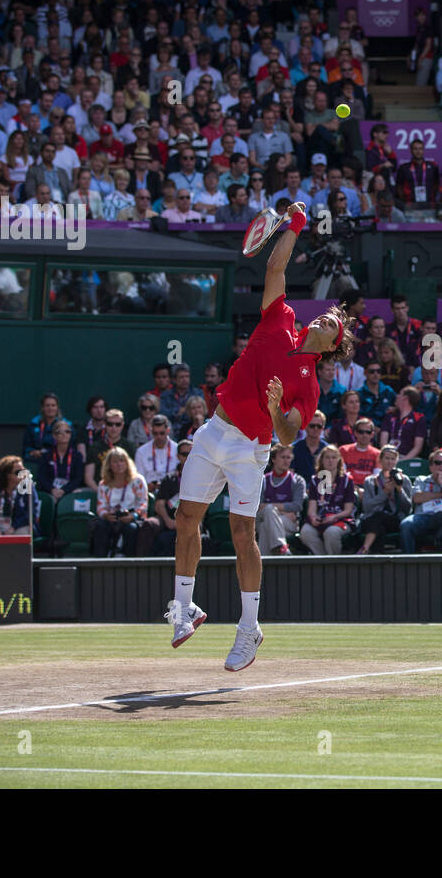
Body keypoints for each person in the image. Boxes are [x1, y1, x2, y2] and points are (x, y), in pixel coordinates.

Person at [167, 201, 355, 672]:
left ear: (333, 344)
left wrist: (275, 410)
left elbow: (289, 436)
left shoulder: (310, 384)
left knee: (240, 532)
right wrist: (295, 224)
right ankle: (184, 607)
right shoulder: (279, 318)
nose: (320, 320)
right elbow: (275, 264)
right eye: (322, 316)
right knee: (186, 517)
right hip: (213, 431)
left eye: (329, 324)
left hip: (251, 450)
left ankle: (249, 628)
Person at [400, 450, 442, 553]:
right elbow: (417, 498)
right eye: (437, 463)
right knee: (406, 524)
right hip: (424, 516)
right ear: (431, 467)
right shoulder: (422, 480)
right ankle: (408, 564)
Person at [92, 447, 150, 557]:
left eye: (122, 461)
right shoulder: (103, 484)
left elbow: (143, 503)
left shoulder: (138, 480)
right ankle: (100, 561)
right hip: (111, 517)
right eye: (115, 461)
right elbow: (100, 507)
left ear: (127, 462)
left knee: (130, 529)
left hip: (132, 517)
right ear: (109, 465)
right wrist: (106, 515)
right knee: (100, 526)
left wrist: (133, 515)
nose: (119, 464)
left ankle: (130, 562)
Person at [356, 446, 414, 554]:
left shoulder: (404, 480)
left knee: (378, 518)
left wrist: (399, 490)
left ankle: (365, 548)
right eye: (387, 458)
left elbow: (408, 508)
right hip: (372, 518)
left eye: (393, 459)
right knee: (378, 523)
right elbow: (367, 507)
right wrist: (385, 492)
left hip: (395, 518)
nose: (390, 462)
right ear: (380, 460)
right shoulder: (370, 480)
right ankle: (377, 557)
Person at [301, 446, 357, 555]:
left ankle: (333, 563)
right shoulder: (315, 480)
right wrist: (313, 517)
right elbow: (312, 508)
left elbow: (348, 510)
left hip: (341, 519)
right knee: (306, 532)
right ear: (321, 460)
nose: (330, 461)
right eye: (327, 457)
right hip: (321, 518)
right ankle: (322, 560)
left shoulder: (347, 480)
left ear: (339, 460)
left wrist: (334, 517)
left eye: (333, 457)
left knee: (331, 533)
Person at [256, 444, 307, 556]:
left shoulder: (297, 480)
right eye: (282, 457)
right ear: (273, 459)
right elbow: (258, 506)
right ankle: (281, 547)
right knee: (269, 512)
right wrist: (283, 510)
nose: (286, 461)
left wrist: (272, 508)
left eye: (288, 458)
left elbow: (297, 506)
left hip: (289, 523)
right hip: (279, 517)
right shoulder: (263, 480)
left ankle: (263, 563)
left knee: (266, 525)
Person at [151, 439, 194, 556]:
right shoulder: (169, 478)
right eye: (184, 454)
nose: (188, 457)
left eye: (191, 453)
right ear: (178, 456)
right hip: (170, 521)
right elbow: (159, 504)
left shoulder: (202, 477)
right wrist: (169, 521)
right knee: (163, 538)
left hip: (193, 522)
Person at [84, 408, 137, 490]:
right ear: (105, 424)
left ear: (122, 425)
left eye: (117, 424)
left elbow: (134, 473)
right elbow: (88, 478)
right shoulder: (95, 447)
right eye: (110, 424)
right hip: (100, 489)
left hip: (124, 490)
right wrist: (101, 492)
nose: (114, 428)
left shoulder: (130, 446)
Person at [39, 421, 85, 501]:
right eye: (59, 432)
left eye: (67, 431)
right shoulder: (47, 455)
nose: (64, 434)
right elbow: (42, 477)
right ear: (54, 435)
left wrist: (64, 490)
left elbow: (78, 478)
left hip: (69, 491)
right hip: (51, 491)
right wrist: (52, 489)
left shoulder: (77, 456)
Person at [380, 386, 427, 459]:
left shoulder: (419, 418)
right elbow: (383, 441)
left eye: (399, 394)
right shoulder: (390, 415)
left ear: (405, 398)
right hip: (389, 456)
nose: (397, 396)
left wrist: (403, 462)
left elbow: (418, 447)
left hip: (407, 458)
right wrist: (389, 457)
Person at [22, 392, 70, 462]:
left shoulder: (66, 426)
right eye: (47, 405)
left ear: (57, 408)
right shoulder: (33, 424)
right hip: (37, 461)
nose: (50, 408)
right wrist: (32, 452)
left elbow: (71, 447)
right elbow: (26, 447)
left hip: (58, 461)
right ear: (42, 408)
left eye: (53, 405)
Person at [134, 414, 176, 492]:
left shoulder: (177, 449)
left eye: (162, 433)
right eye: (155, 433)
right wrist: (146, 485)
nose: (159, 437)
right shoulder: (141, 451)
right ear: (151, 431)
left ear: (168, 431)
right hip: (147, 491)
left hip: (171, 492)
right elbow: (138, 478)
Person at [338, 417, 381, 487]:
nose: (364, 435)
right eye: (361, 432)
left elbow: (377, 478)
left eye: (368, 432)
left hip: (369, 489)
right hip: (348, 487)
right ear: (355, 433)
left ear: (372, 435)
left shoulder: (378, 454)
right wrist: (354, 488)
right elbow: (341, 475)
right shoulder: (343, 450)